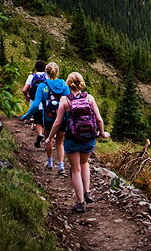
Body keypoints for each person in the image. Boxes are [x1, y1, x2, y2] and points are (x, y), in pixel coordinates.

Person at [45, 72, 110, 214]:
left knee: (75, 170)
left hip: (72, 138)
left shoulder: (65, 100)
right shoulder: (90, 98)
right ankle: (87, 192)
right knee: (85, 163)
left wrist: (50, 138)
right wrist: (103, 133)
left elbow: (57, 123)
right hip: (89, 138)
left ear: (69, 84)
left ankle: (80, 203)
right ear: (81, 83)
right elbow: (99, 119)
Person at [21, 62, 70, 174]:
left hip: (49, 118)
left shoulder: (42, 86)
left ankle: (50, 162)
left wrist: (26, 116)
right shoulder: (64, 85)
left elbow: (35, 105)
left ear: (46, 73)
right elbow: (69, 102)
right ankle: (61, 166)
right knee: (60, 142)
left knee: (49, 139)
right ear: (57, 71)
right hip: (61, 119)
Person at [21, 59, 47, 148]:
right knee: (47, 121)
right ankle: (48, 141)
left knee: (38, 121)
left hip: (34, 103)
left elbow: (24, 89)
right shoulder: (47, 77)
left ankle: (40, 134)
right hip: (46, 103)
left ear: (36, 68)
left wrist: (27, 96)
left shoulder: (31, 77)